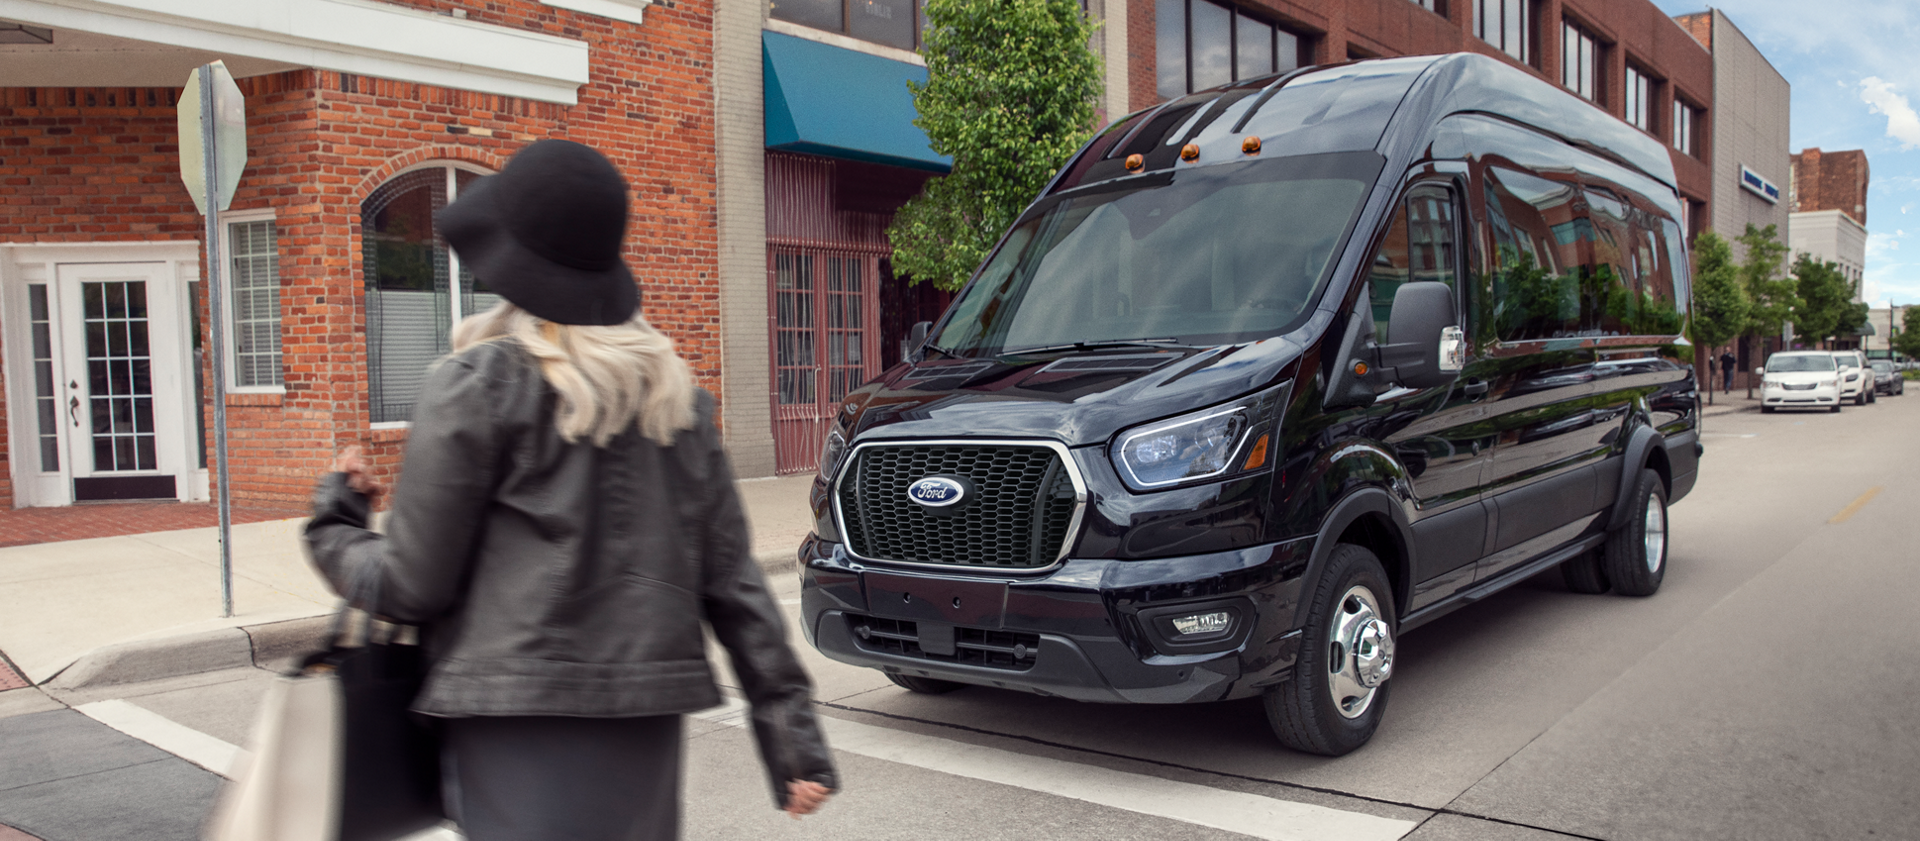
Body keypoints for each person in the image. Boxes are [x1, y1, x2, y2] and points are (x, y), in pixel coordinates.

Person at [305, 139, 835, 841]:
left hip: (512, 724)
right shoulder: (678, 405)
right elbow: (734, 585)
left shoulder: (475, 386)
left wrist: (336, 522)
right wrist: (792, 739)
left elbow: (410, 585)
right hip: (644, 726)